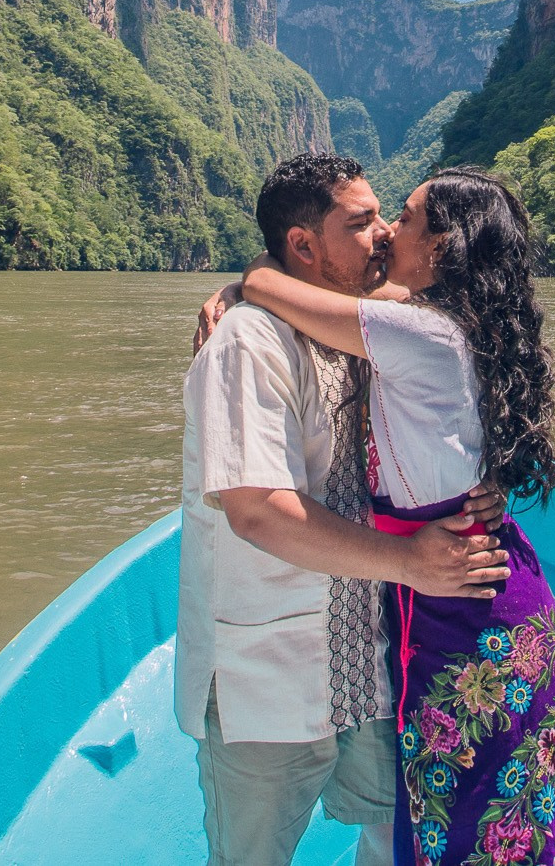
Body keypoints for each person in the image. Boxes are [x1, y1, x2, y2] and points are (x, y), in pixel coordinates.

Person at [221, 167, 555, 866]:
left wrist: (240, 283)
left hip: (461, 607)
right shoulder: (449, 324)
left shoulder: (415, 331)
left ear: (443, 246)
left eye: (405, 219)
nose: (387, 231)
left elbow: (276, 288)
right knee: (520, 803)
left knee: (475, 815)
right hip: (490, 590)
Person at [180, 153, 512, 866]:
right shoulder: (245, 341)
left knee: (398, 841)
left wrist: (478, 483)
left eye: (388, 216)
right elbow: (256, 511)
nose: (386, 233)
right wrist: (409, 561)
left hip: (368, 660)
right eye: (361, 223)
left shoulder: (365, 327)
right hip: (265, 679)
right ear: (304, 245)